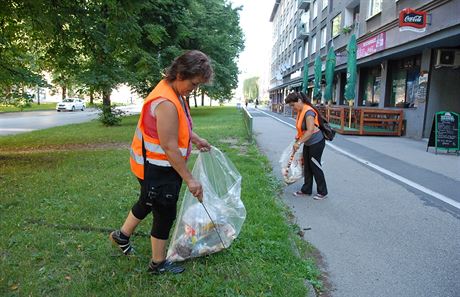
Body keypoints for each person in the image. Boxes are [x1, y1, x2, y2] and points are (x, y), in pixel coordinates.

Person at [109, 50, 213, 274]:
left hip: (154, 165)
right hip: (159, 167)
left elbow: (178, 128)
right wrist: (190, 179)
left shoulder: (174, 93)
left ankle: (121, 236)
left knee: (147, 200)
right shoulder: (166, 101)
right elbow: (168, 146)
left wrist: (196, 139)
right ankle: (157, 264)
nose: (194, 90)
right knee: (164, 212)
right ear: (180, 74)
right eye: (193, 84)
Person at [285, 91, 328, 200]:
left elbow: (309, 131)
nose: (292, 108)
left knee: (315, 166)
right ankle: (306, 189)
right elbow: (302, 129)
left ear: (299, 101)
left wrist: (299, 143)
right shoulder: (300, 110)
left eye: (293, 105)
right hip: (308, 142)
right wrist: (297, 139)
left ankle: (323, 192)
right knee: (307, 166)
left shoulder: (308, 112)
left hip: (316, 142)